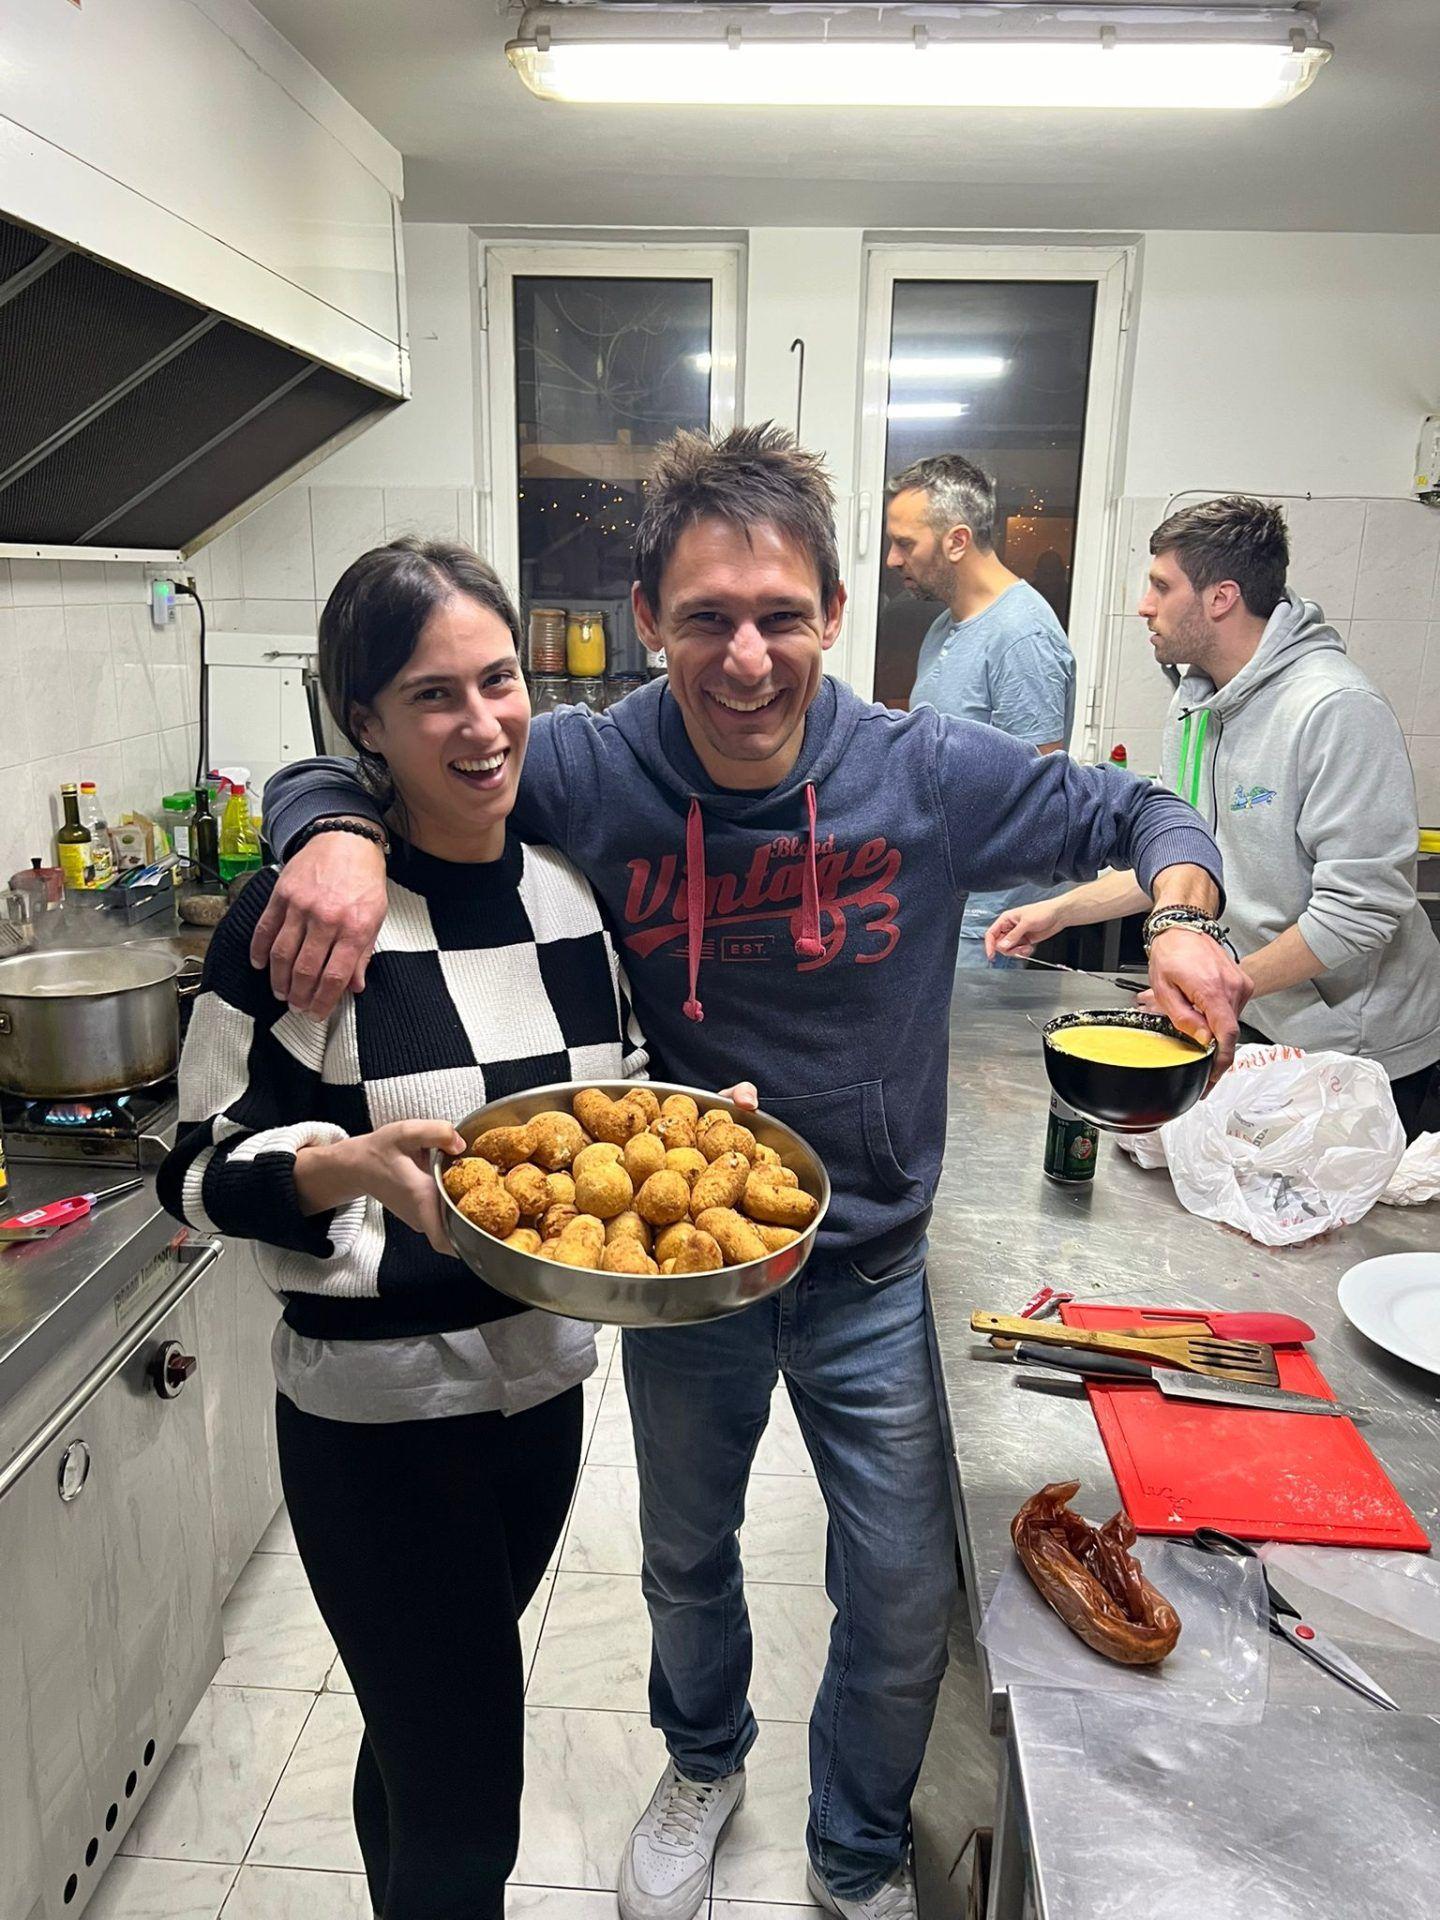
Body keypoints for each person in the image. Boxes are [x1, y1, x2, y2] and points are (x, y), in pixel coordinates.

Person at [252, 427, 1249, 1920]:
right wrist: (327, 830)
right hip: (688, 1282)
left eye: (782, 615)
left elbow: (1141, 812)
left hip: (873, 1267)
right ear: (648, 621)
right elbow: (375, 754)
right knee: (685, 1561)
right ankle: (702, 1762)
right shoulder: (590, 762)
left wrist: (1183, 917)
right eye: (705, 618)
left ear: (836, 614)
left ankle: (854, 1845)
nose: (745, 658)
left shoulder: (922, 771)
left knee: (900, 1589)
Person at [158, 540, 651, 1920]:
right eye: (433, 696)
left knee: (420, 1736)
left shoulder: (567, 900)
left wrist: (692, 1126)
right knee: (469, 1799)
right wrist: (344, 1169)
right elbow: (191, 1173)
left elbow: (613, 1101)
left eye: (499, 681)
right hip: (375, 1425)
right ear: (363, 723)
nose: (482, 724)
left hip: (541, 1399)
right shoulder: (305, 921)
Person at [990, 495, 1440, 1140]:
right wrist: (1059, 911)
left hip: (1361, 1056)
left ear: (1221, 597)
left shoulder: (1335, 708)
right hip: (1258, 1022)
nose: (1144, 606)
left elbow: (1363, 909)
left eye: (1160, 586)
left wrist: (1216, 985)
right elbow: (1185, 860)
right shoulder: (1196, 706)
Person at [884, 454, 1077, 968]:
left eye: (905, 543)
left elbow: (1033, 796)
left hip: (988, 919)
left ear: (957, 541)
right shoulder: (944, 627)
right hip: (942, 897)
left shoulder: (1021, 636)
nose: (893, 559)